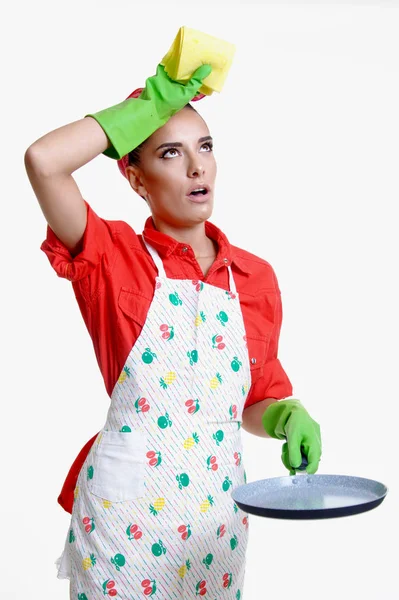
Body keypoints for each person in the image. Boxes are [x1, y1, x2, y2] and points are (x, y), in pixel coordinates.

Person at [25, 63, 322, 599]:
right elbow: (44, 163)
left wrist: (285, 415)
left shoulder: (254, 278)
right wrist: (151, 104)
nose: (194, 168)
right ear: (136, 178)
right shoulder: (111, 256)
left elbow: (253, 400)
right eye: (170, 152)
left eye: (204, 147)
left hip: (217, 520)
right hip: (124, 526)